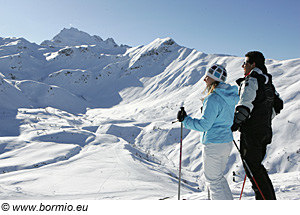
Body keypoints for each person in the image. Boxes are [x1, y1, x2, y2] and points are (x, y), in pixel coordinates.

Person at [177, 64, 239, 200]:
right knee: (219, 179)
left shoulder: (213, 98)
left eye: (208, 76)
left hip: (214, 144)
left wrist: (185, 120)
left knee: (213, 182)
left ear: (214, 79)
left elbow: (204, 125)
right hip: (225, 142)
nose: (205, 79)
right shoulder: (229, 96)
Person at [231, 51, 277, 200]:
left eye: (245, 63)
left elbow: (245, 105)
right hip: (265, 130)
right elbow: (278, 104)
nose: (243, 66)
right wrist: (264, 119)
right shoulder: (267, 82)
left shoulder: (251, 80)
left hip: (252, 132)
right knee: (256, 167)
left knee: (252, 168)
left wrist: (235, 124)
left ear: (253, 64)